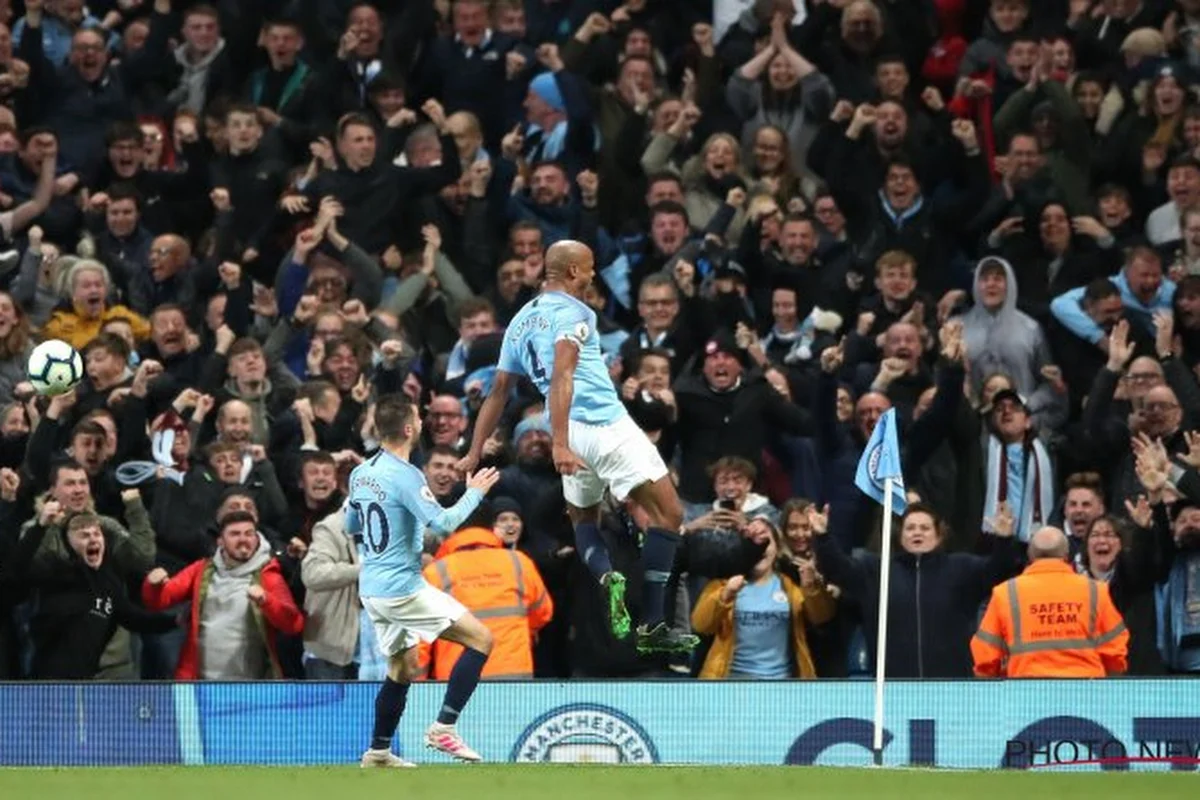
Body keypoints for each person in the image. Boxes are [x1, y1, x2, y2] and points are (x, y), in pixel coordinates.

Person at [457, 239, 696, 655]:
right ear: (571, 273)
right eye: (589, 268)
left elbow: (498, 392)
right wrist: (561, 447)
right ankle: (654, 622)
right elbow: (564, 374)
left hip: (566, 426)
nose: (592, 275)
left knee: (583, 517)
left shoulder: (519, 321)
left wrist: (474, 451)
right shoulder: (576, 312)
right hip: (603, 424)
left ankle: (606, 576)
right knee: (670, 514)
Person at [348, 394, 500, 768]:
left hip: (371, 589)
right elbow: (444, 524)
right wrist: (475, 493)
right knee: (481, 639)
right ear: (408, 428)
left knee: (403, 667)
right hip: (401, 589)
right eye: (417, 417)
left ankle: (378, 753)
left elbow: (351, 525)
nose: (421, 422)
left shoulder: (360, 473)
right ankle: (444, 728)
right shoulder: (406, 475)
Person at [971, 526, 1130, 678]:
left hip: (1026, 693)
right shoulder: (1096, 591)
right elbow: (1115, 652)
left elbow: (985, 657)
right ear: (1066, 555)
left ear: (1030, 555)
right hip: (1085, 694)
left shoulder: (1005, 593)